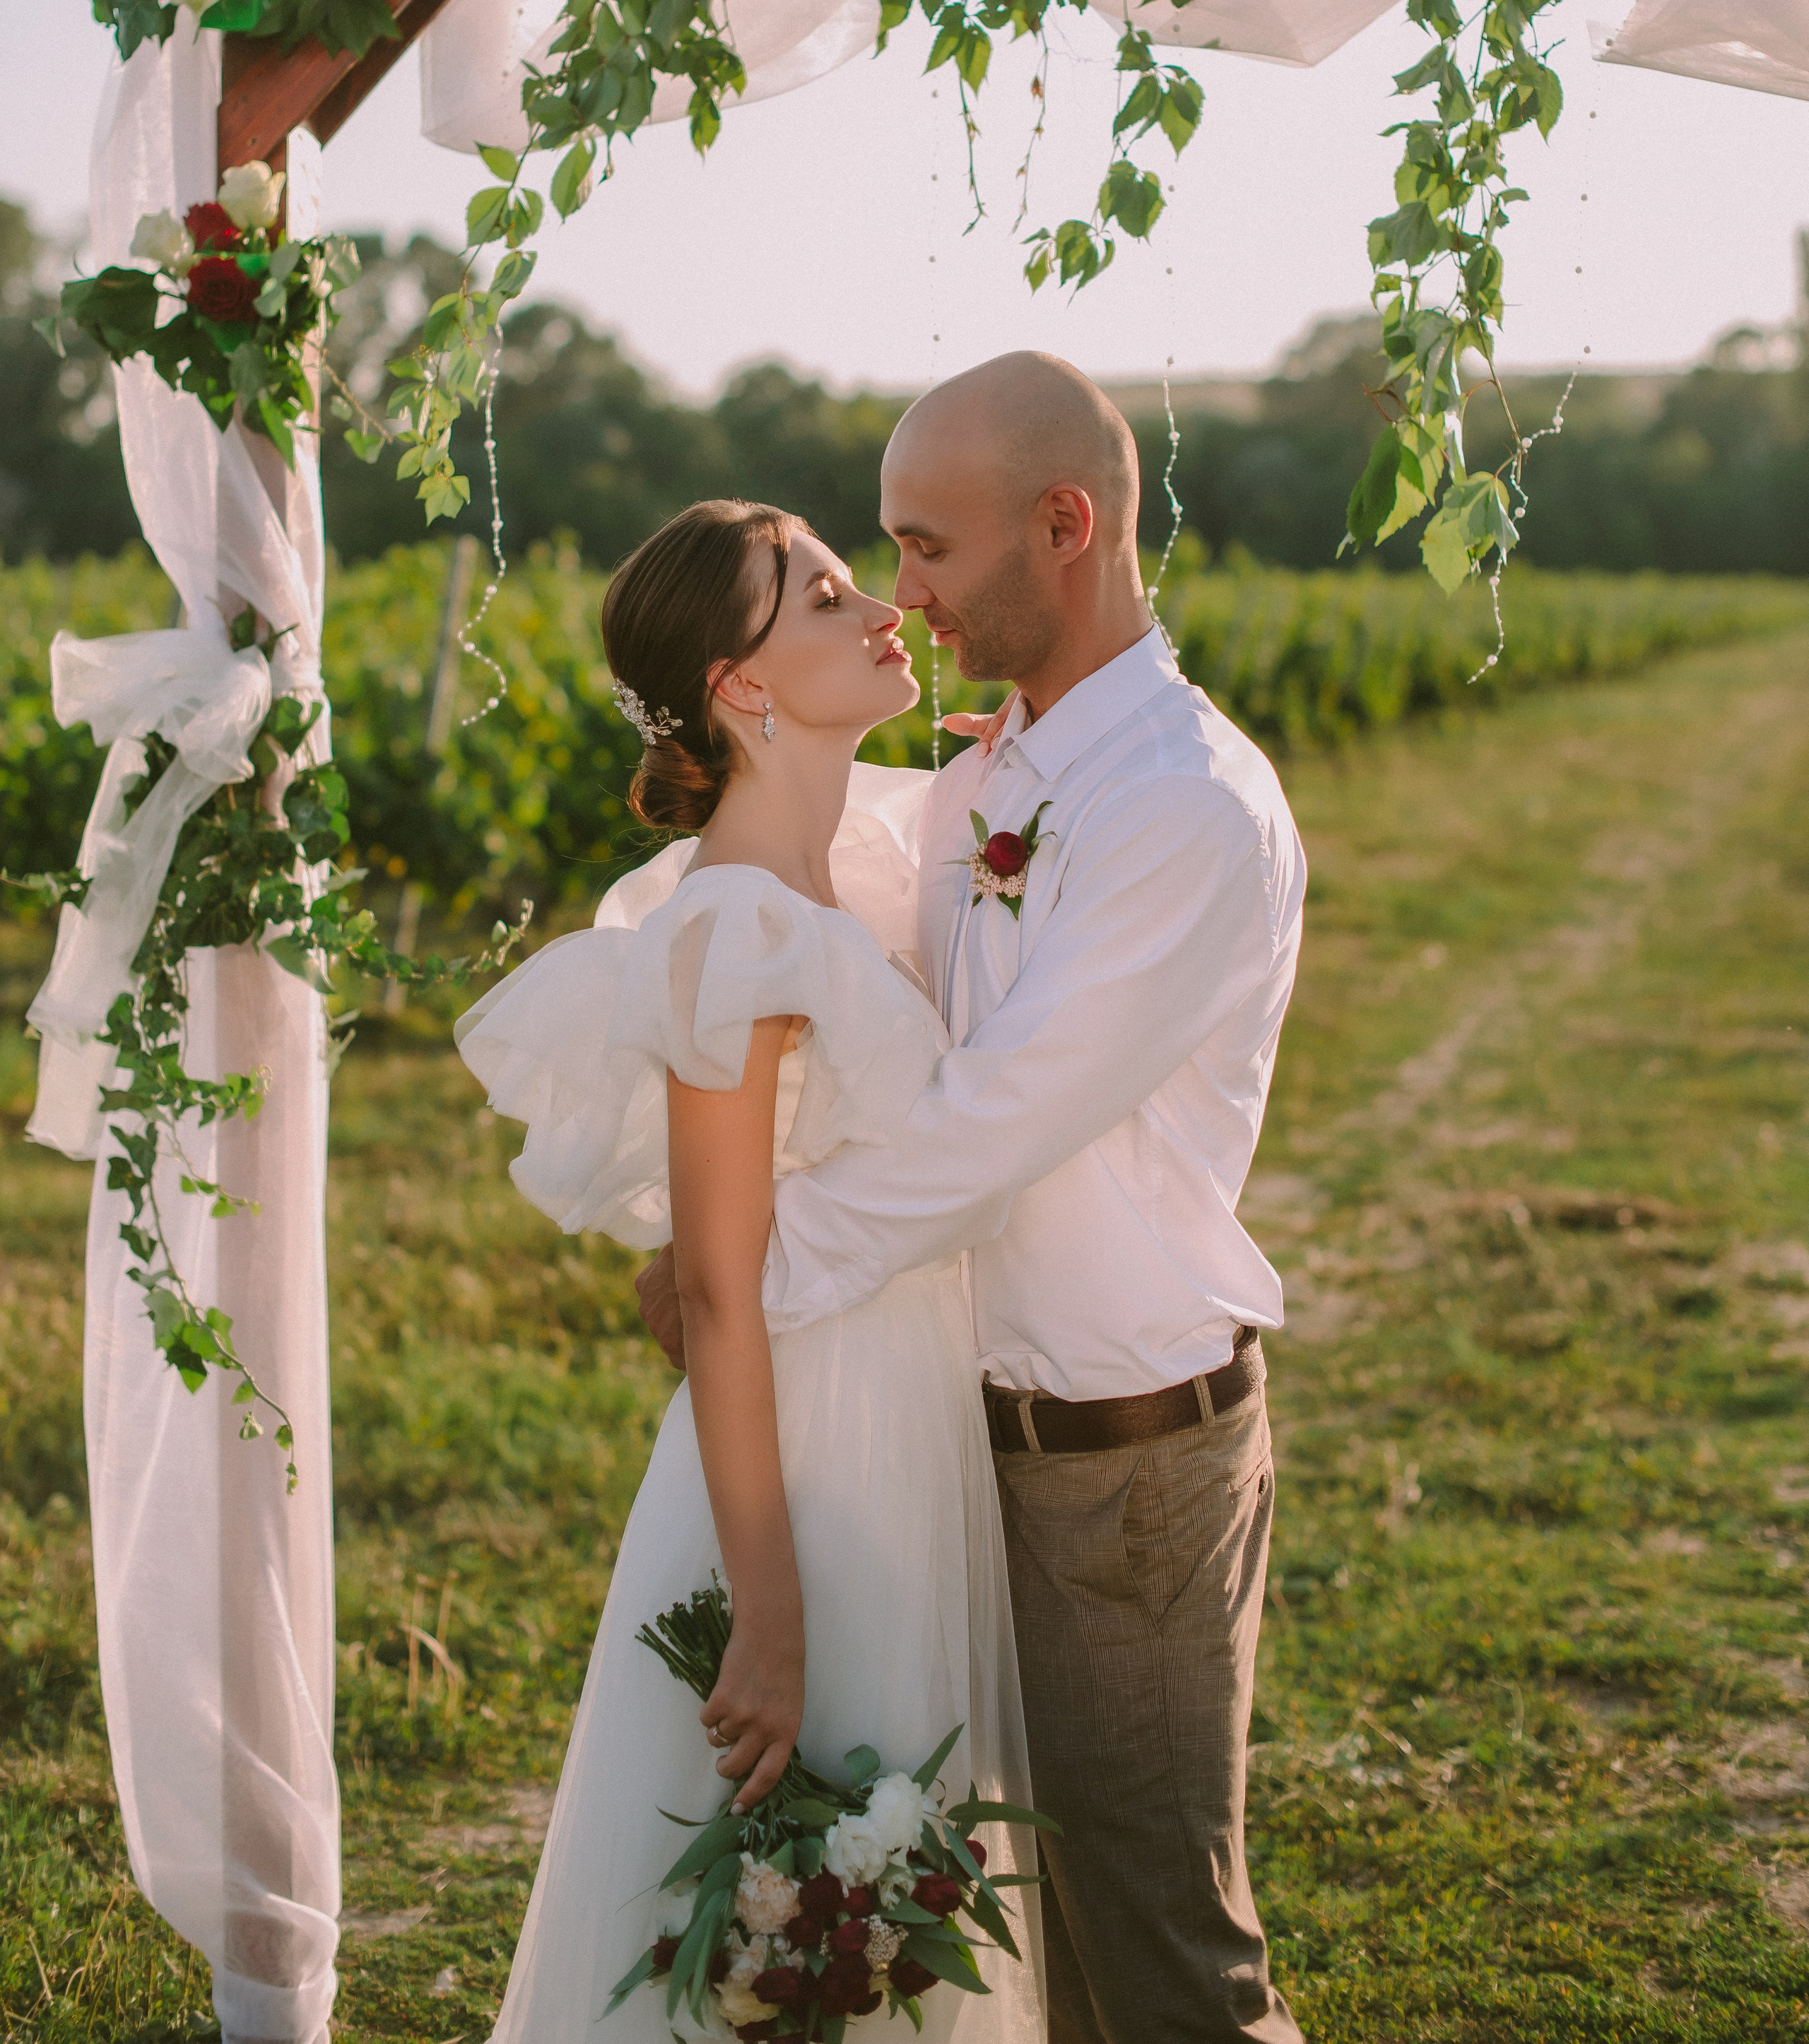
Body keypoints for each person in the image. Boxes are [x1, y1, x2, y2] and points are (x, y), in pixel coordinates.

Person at [638, 353, 1308, 2044]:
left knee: (1163, 1958)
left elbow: (987, 1122)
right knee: (1043, 1963)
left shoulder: (1178, 806)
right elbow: (802, 902)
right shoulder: (991, 764)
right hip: (960, 1440)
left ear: (1063, 524)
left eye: (925, 551)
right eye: (877, 555)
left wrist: (756, 1279)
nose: (903, 596)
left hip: (1120, 1458)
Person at [455, 500, 1043, 2044]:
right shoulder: (732, 929)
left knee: (883, 1892)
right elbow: (715, 1284)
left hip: (907, 1413)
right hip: (809, 1441)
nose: (881, 614)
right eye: (828, 596)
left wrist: (1006, 756)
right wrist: (765, 1612)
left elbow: (953, 825)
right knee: (792, 1895)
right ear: (742, 687)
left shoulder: (834, 864)